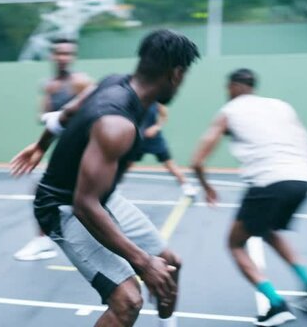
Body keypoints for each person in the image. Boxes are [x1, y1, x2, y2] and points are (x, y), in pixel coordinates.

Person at [12, 29, 200, 326]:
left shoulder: (113, 81)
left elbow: (67, 113)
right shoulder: (116, 125)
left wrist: (40, 145)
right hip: (62, 207)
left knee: (171, 265)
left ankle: (167, 323)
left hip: (101, 197)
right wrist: (143, 262)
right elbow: (84, 205)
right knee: (128, 301)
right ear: (176, 74)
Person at [191, 68, 307, 326]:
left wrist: (206, 186)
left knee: (235, 244)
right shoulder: (281, 107)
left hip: (270, 180)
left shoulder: (231, 110)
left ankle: (276, 305)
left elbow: (197, 161)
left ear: (233, 87)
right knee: (267, 230)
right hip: (303, 178)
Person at [14, 38, 93, 261]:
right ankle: (43, 241)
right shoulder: (49, 85)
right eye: (59, 53)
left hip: (86, 146)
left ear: (73, 57)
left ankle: (44, 241)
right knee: (45, 189)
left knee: (87, 198)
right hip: (64, 146)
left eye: (68, 53)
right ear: (52, 56)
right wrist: (50, 117)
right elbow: (44, 116)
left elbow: (92, 112)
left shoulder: (81, 82)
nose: (63, 57)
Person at [132, 102, 197, 197]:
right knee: (125, 164)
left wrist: (156, 127)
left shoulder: (156, 101)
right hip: (138, 138)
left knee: (170, 164)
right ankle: (113, 187)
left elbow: (164, 115)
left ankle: (186, 186)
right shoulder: (133, 99)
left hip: (155, 139)